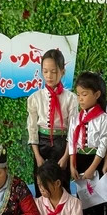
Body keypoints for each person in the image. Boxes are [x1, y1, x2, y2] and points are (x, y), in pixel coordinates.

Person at [27, 49, 79, 196]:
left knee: (62, 183)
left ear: (62, 71)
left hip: (61, 144)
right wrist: (37, 156)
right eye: (45, 71)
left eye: (54, 71)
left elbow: (73, 130)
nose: (49, 76)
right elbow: (32, 129)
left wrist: (66, 156)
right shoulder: (34, 98)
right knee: (41, 185)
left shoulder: (71, 98)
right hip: (42, 145)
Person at [68, 71, 107, 215]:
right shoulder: (76, 118)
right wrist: (72, 165)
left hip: (95, 162)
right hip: (79, 160)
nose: (80, 99)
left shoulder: (103, 118)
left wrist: (93, 168)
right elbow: (71, 141)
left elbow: (103, 144)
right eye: (78, 94)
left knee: (96, 201)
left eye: (84, 94)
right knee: (82, 200)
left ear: (97, 94)